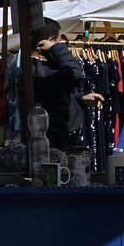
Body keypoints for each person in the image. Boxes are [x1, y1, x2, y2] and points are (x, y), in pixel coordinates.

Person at [30, 18, 86, 152]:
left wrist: (80, 99)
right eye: (58, 41)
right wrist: (57, 48)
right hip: (52, 140)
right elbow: (75, 74)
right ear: (50, 40)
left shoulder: (40, 68)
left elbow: (53, 92)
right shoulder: (38, 70)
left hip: (52, 137)